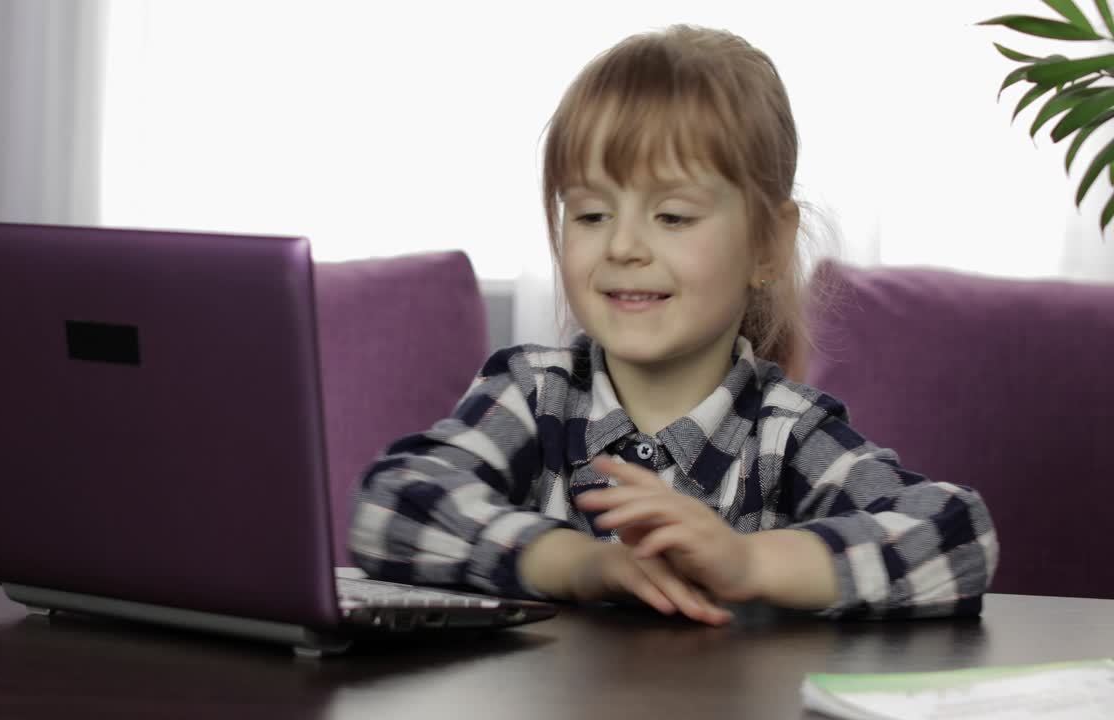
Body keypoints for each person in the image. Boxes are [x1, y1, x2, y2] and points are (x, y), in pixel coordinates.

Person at [348, 24, 997, 624]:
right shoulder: (530, 394)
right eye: (592, 214)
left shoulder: (787, 435)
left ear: (767, 247)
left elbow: (957, 537)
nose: (623, 246)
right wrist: (581, 564)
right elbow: (393, 505)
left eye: (674, 216)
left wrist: (751, 563)